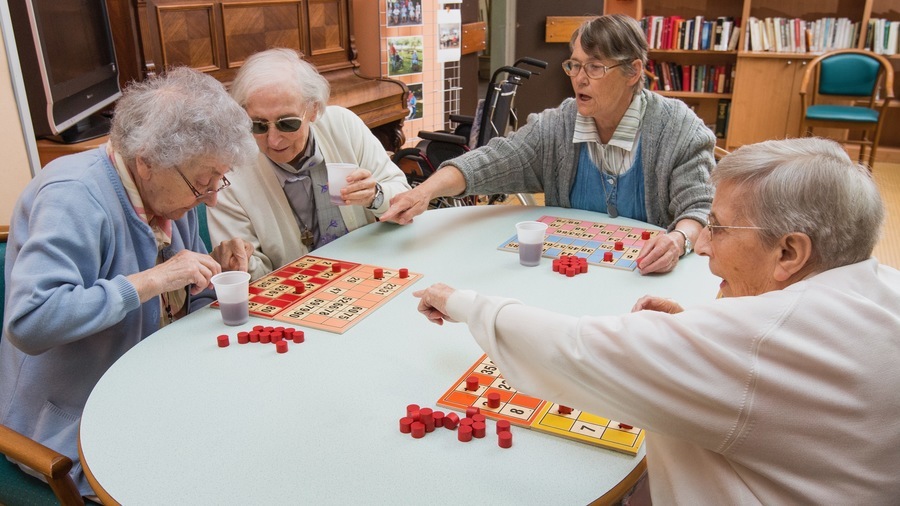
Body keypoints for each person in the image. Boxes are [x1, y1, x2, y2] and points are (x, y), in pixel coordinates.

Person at [412, 137, 900, 503]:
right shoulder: (886, 289)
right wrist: (696, 335)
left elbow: (576, 350)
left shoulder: (754, 344)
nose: (703, 243)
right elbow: (784, 376)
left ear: (789, 251)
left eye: (719, 227)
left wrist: (460, 302)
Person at [0, 67, 258, 496]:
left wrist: (214, 273)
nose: (213, 197)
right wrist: (150, 281)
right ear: (148, 162)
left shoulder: (170, 197)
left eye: (220, 178)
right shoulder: (73, 196)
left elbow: (178, 305)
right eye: (203, 180)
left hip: (153, 392)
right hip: (70, 425)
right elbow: (30, 321)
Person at [382, 14, 715, 275]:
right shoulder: (558, 125)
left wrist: (678, 239)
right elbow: (494, 160)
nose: (579, 78)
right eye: (574, 64)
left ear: (633, 71)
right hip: (569, 275)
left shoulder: (678, 128)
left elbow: (699, 209)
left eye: (595, 67)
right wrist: (424, 191)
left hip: (646, 282)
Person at [207, 48, 411, 280]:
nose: (273, 140)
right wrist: (240, 264)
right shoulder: (231, 172)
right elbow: (255, 277)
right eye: (259, 126)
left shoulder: (343, 126)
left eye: (288, 124)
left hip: (366, 273)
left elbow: (405, 199)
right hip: (294, 296)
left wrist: (376, 196)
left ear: (313, 109)